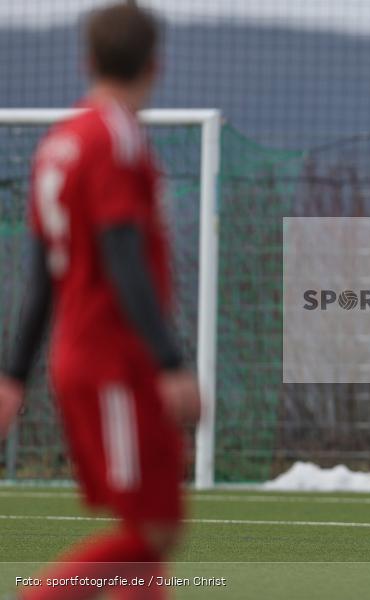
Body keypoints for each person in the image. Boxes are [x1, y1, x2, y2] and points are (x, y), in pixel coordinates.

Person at [0, 4, 200, 597]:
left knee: (154, 529)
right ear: (155, 66)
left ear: (87, 60)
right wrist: (171, 361)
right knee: (151, 529)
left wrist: (13, 376)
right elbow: (121, 255)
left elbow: (40, 273)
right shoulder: (113, 139)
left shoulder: (59, 144)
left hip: (84, 356)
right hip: (115, 361)